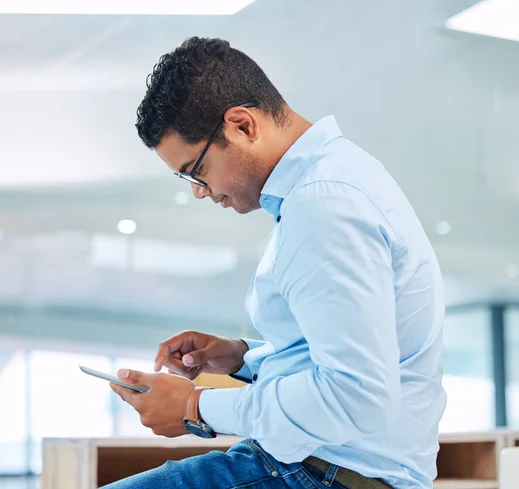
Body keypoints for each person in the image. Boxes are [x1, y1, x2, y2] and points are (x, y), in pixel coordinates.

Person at [104, 36, 446, 489]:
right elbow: (347, 357)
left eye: (196, 170)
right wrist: (243, 358)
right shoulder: (334, 179)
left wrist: (195, 407)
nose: (199, 191)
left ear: (242, 125)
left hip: (324, 474)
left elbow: (356, 396)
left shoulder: (324, 206)